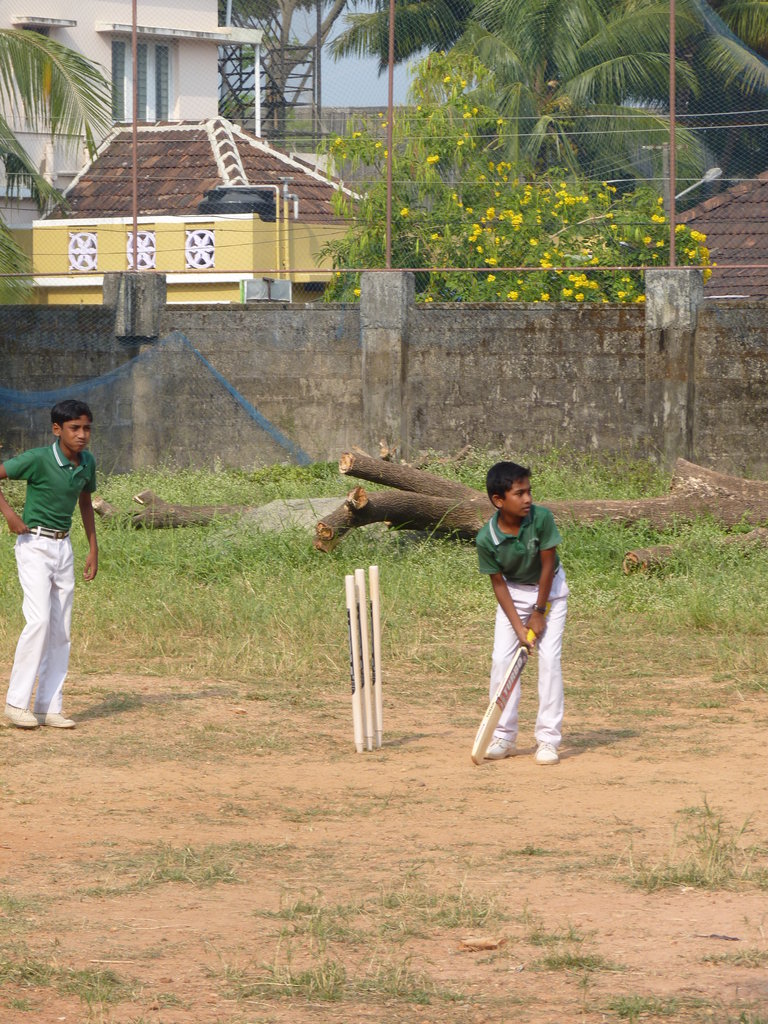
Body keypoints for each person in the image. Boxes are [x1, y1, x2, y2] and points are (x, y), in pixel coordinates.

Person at [0, 400, 98, 729]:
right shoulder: (38, 459)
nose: (82, 434)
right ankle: (16, 704)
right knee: (39, 621)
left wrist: (93, 547)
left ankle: (47, 707)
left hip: (63, 547)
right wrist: (10, 515)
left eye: (86, 428)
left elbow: (85, 501)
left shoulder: (87, 462)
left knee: (61, 630)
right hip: (34, 545)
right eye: (74, 428)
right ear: (57, 429)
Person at [475, 461, 569, 765]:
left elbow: (548, 565)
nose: (527, 499)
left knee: (549, 660)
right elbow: (499, 585)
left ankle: (548, 740)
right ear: (498, 500)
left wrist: (539, 612)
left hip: (550, 592)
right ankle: (504, 736)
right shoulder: (486, 538)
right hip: (513, 595)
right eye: (519, 493)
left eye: (529, 491)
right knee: (502, 661)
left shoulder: (541, 519)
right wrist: (519, 628)